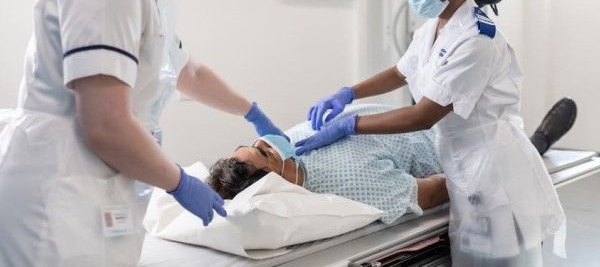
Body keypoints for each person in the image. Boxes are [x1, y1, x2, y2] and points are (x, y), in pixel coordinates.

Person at [0, 0, 283, 266]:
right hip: (57, 194)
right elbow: (105, 123)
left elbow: (188, 73)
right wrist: (178, 181)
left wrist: (251, 112)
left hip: (92, 191)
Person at [297, 0, 569, 265]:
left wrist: (350, 125)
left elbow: (422, 115)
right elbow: (400, 72)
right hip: (461, 165)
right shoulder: (432, 28)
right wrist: (348, 92)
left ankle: (543, 138)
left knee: (499, 260)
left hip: (494, 174)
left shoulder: (477, 38)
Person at [208, 100, 576, 225]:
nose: (268, 141)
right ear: (277, 181)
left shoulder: (294, 144)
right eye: (266, 151)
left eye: (254, 143)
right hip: (452, 146)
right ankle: (537, 142)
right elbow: (430, 193)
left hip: (418, 116)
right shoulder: (350, 187)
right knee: (519, 150)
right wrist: (490, 174)